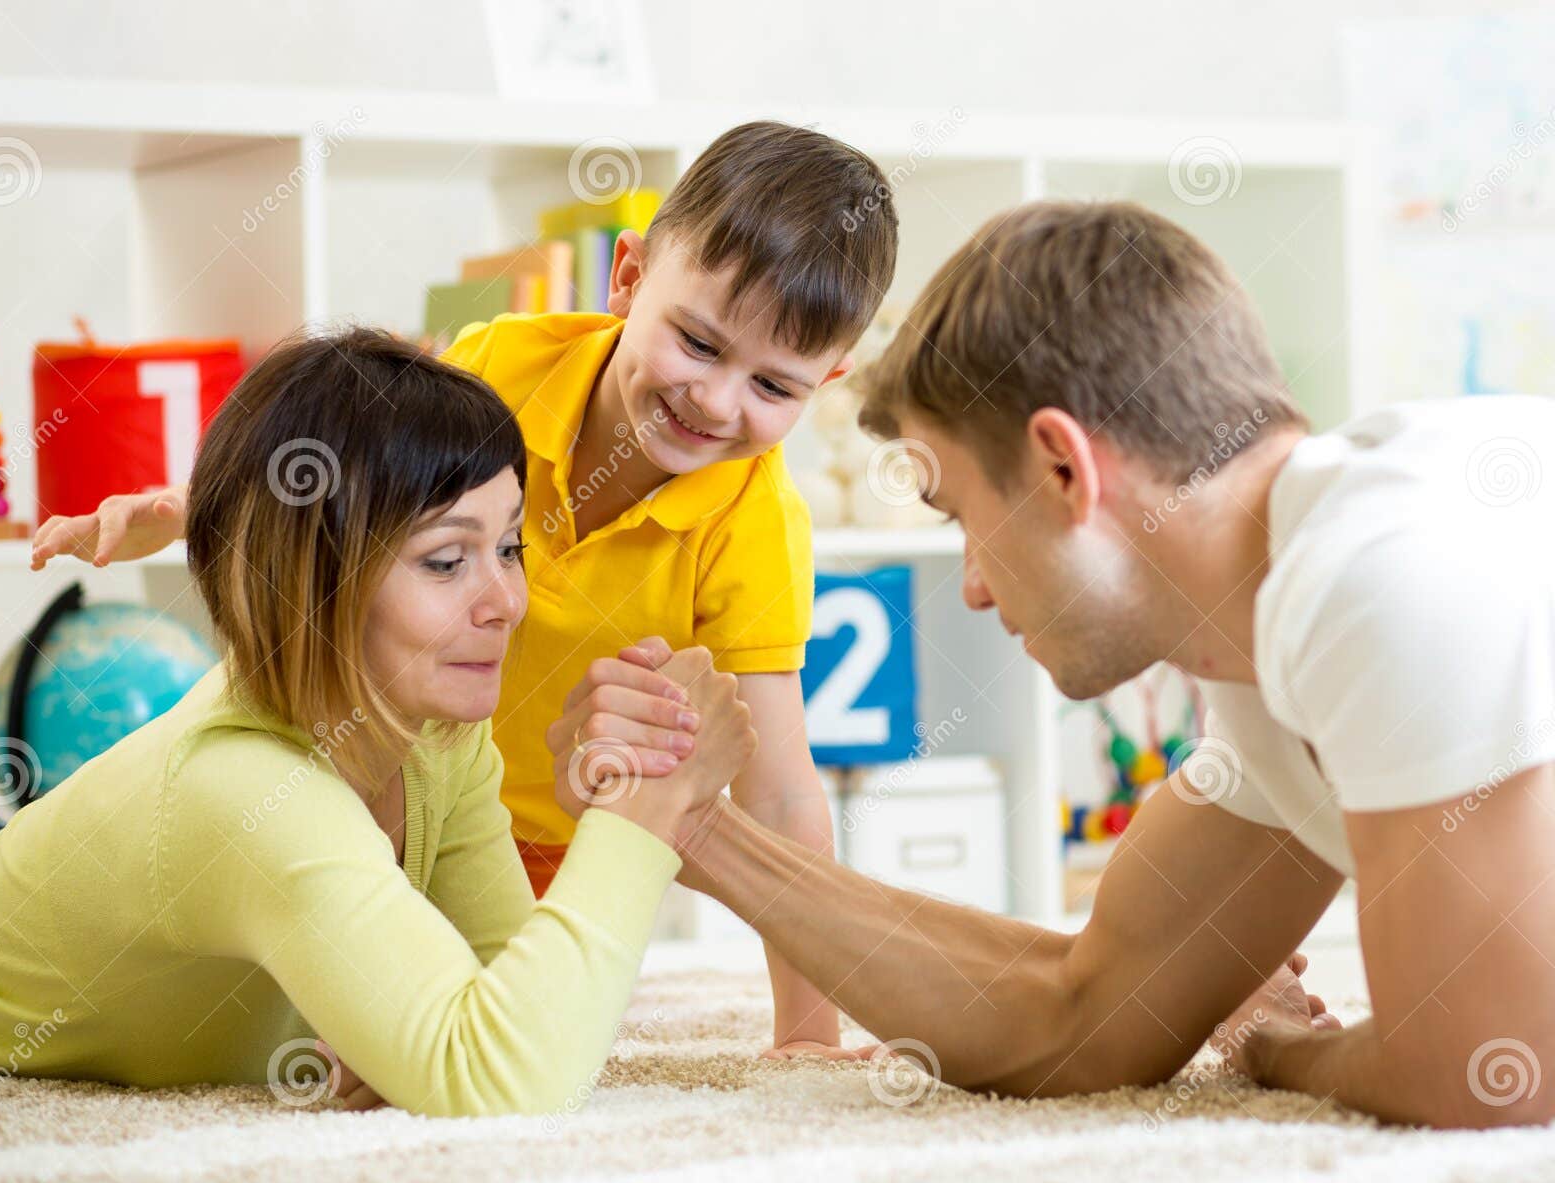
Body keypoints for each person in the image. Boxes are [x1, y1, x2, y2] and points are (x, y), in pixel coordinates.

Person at [563, 201, 1555, 1130]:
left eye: (963, 521)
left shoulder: (1384, 566)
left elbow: (1484, 1068)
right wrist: (696, 824)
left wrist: (1278, 1047)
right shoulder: (1265, 663)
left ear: (1061, 470)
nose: (974, 590)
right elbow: (1077, 1020)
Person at [30, 121, 899, 1061]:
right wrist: (191, 506)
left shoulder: (757, 522)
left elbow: (777, 796)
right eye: (697, 342)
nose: (718, 401)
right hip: (402, 784)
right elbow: (350, 468)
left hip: (560, 850)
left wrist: (809, 1032)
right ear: (630, 277)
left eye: (775, 386)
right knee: (328, 924)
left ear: (830, 382)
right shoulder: (506, 363)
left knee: (514, 1038)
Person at [0, 327, 753, 1118]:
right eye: (446, 561)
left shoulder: (438, 735)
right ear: (314, 581)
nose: (507, 602)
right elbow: (504, 1080)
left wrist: (419, 1039)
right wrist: (643, 806)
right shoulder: (247, 790)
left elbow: (529, 1010)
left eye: (508, 546)